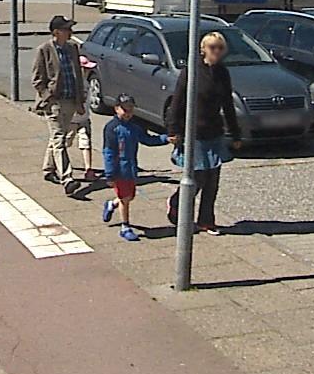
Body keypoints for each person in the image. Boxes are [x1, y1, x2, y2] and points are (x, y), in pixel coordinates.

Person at [163, 31, 243, 234]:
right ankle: (177, 204)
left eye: (220, 48)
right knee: (198, 178)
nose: (217, 51)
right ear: (203, 49)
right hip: (193, 133)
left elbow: (228, 105)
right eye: (212, 47)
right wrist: (173, 130)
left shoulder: (223, 72)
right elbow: (177, 102)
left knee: (213, 180)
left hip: (214, 132)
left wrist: (235, 133)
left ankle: (206, 220)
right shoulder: (191, 71)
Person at [31, 14, 91, 192]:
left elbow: (77, 75)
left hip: (71, 101)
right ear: (56, 32)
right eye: (67, 29)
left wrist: (80, 101)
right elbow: (37, 79)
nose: (70, 32)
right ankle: (67, 178)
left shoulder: (72, 48)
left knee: (58, 137)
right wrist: (47, 97)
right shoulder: (44, 50)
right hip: (54, 102)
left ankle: (48, 169)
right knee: (59, 139)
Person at [99, 94, 167, 242]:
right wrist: (109, 174)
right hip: (119, 170)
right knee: (125, 198)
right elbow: (108, 152)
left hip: (131, 168)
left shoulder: (135, 126)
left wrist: (165, 138)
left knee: (129, 196)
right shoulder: (112, 128)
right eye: (125, 109)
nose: (128, 113)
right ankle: (125, 227)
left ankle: (111, 204)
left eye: (130, 109)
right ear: (116, 109)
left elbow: (147, 139)